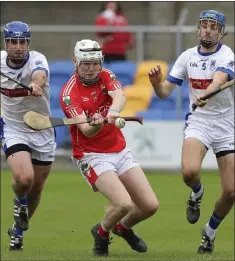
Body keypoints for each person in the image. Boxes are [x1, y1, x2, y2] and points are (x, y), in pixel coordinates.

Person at [60, 39, 158, 256]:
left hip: (119, 150)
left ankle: (123, 228)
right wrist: (94, 124)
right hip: (91, 155)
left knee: (150, 205)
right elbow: (85, 130)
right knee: (123, 203)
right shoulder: (69, 94)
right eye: (85, 63)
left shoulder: (106, 74)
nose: (91, 68)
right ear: (75, 62)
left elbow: (120, 96)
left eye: (95, 63)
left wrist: (111, 112)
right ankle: (102, 233)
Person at [149, 10, 234, 254]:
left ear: (221, 32)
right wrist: (156, 83)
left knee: (231, 191)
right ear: (199, 28)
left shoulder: (227, 55)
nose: (208, 30)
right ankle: (197, 193)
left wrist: (207, 92)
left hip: (227, 126)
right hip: (199, 122)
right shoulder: (187, 57)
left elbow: (218, 80)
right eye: (205, 25)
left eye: (213, 26)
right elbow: (166, 91)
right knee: (189, 172)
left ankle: (209, 232)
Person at [1, 21, 56, 251]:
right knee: (24, 178)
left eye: (22, 42)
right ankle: (19, 201)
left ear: (28, 43)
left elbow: (40, 75)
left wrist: (35, 84)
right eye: (13, 42)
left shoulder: (37, 59)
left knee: (36, 189)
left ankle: (18, 230)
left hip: (41, 129)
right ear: (6, 43)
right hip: (13, 128)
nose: (18, 47)